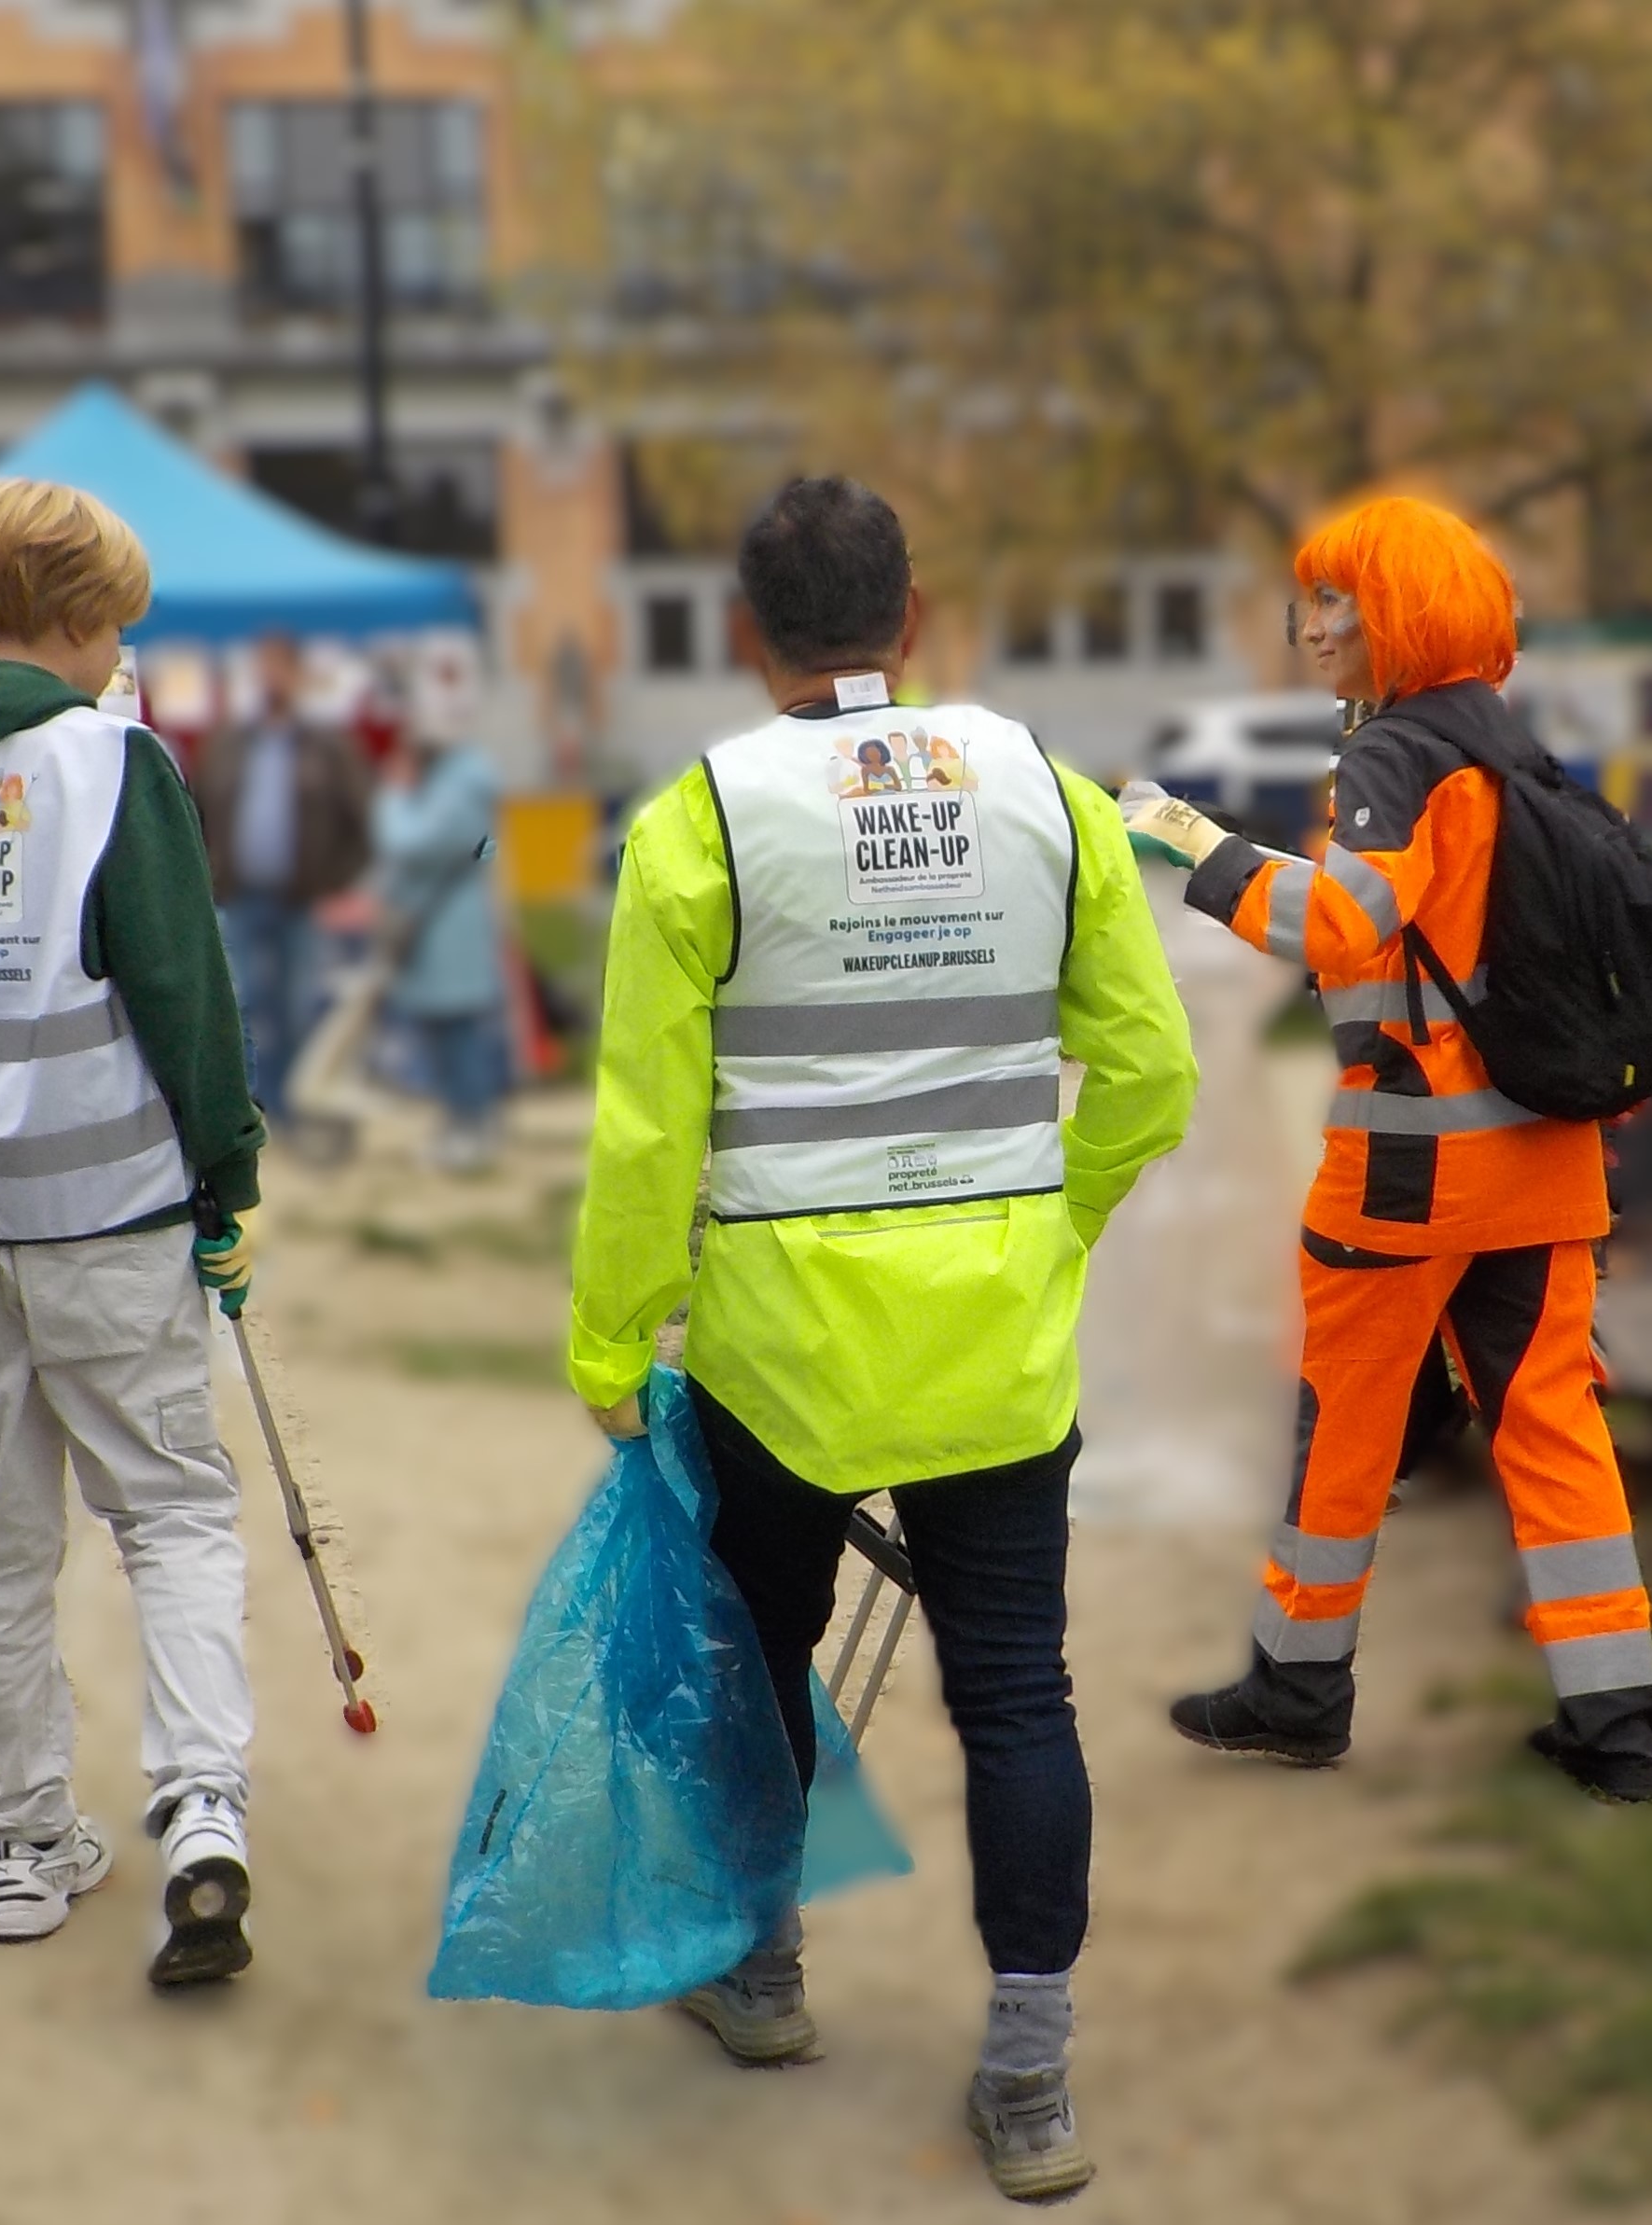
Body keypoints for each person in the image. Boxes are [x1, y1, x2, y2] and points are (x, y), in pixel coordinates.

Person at [569, 476, 1195, 2201]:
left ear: (748, 634)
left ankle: (761, 1979)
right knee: (1019, 1692)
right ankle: (1032, 2082)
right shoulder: (1046, 794)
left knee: (765, 1645)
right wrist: (1050, 1226)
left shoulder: (697, 821)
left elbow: (646, 1133)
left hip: (783, 1353)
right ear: (913, 618)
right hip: (997, 1342)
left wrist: (614, 1346)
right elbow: (1153, 1074)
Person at [1121, 494, 1652, 1805]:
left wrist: (1188, 841)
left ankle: (1296, 1689)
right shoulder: (1509, 756)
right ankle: (1618, 1728)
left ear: (1402, 614)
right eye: (1306, 600)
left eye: (1338, 602)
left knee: (1343, 1429)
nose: (1311, 625)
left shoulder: (1393, 759)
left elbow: (1341, 927)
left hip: (1409, 1176)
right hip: (1545, 1168)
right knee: (1552, 1432)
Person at [0, 479, 268, 1990]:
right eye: (118, 630)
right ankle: (201, 1810)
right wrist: (231, 1172)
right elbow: (182, 987)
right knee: (176, 1513)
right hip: (116, 1212)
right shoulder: (109, 763)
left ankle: (22, 1844)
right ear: (79, 624)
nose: (121, 656)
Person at [198, 633, 372, 1106]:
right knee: (248, 1001)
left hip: (302, 898)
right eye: (264, 667)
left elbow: (361, 819)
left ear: (298, 676)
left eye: (281, 668)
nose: (271, 678)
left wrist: (337, 880)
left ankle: (296, 1099)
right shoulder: (230, 743)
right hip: (242, 895)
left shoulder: (326, 746)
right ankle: (258, 1097)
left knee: (297, 1002)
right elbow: (200, 810)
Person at [372, 718, 508, 1172]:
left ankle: (470, 1129)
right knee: (450, 1035)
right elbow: (486, 848)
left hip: (444, 933)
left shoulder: (457, 789)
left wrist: (392, 795)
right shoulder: (465, 787)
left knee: (456, 1036)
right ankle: (464, 1124)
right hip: (445, 928)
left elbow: (408, 843)